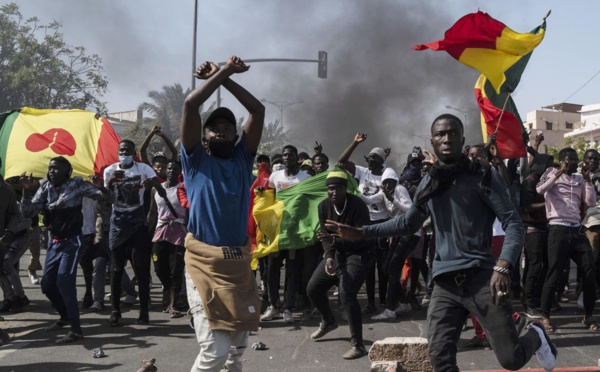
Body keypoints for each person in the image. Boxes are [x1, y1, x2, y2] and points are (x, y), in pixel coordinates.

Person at [326, 114, 557, 372]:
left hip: (481, 278)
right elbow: (407, 223)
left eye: (453, 133)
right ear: (433, 142)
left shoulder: (483, 176)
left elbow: (513, 223)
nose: (447, 138)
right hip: (444, 283)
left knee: (511, 360)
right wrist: (362, 232)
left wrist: (503, 265)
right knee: (441, 361)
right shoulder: (429, 182)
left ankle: (536, 334)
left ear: (462, 139)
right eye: (440, 134)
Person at [181, 56, 264, 371]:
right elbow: (191, 106)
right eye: (213, 130)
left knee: (235, 352)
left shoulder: (243, 160)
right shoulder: (196, 161)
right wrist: (225, 71)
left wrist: (222, 76)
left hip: (238, 262)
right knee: (215, 351)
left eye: (227, 129)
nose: (221, 133)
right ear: (203, 139)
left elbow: (258, 111)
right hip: (204, 264)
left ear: (236, 136)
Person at [20, 156, 112, 344]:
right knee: (47, 285)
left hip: (73, 240)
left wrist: (101, 187)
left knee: (65, 280)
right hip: (55, 242)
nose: (52, 171)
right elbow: (28, 213)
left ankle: (76, 330)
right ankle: (64, 317)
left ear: (67, 172)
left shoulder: (77, 185)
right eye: (51, 168)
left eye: (57, 169)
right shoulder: (44, 188)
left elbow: (109, 198)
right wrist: (26, 193)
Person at [307, 170, 373, 359]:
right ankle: (328, 320)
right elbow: (325, 238)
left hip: (360, 253)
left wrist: (334, 242)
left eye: (337, 188)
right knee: (313, 288)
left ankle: (358, 345)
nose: (333, 192)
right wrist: (328, 256)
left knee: (347, 293)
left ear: (345, 189)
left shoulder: (357, 206)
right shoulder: (323, 207)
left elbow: (361, 239)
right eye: (330, 189)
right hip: (337, 252)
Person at [536, 147, 599, 333]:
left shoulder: (580, 179)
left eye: (575, 160)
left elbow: (590, 202)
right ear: (562, 160)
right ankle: (545, 316)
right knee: (553, 274)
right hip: (558, 228)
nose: (573, 163)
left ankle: (588, 315)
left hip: (577, 228)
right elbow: (540, 189)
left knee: (589, 272)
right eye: (570, 159)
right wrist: (559, 173)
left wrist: (587, 180)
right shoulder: (551, 173)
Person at [104, 139, 165, 326]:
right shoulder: (109, 170)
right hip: (118, 223)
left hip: (137, 222)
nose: (125, 153)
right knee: (116, 269)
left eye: (128, 150)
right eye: (122, 150)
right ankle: (115, 311)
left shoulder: (143, 169)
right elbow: (105, 198)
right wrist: (110, 182)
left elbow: (159, 190)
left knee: (141, 268)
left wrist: (152, 185)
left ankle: (144, 311)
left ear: (134, 152)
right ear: (118, 151)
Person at [337, 132, 389, 314]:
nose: (370, 161)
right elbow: (341, 163)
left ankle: (383, 301)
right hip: (364, 227)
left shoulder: (386, 176)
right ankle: (371, 303)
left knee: (382, 267)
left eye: (375, 158)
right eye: (369, 157)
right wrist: (355, 143)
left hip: (382, 225)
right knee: (367, 266)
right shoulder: (362, 172)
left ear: (382, 162)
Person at [260, 145, 311, 323]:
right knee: (272, 269)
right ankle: (274, 306)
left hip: (294, 233)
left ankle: (288, 308)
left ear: (297, 158)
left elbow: (308, 204)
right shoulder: (275, 177)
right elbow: (271, 199)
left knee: (292, 271)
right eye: (284, 155)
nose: (286, 157)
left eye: (290, 155)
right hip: (277, 231)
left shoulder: (305, 178)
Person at [147, 160, 188, 318]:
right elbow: (152, 213)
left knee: (176, 270)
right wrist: (147, 232)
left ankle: (173, 304)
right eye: (169, 168)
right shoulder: (156, 190)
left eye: (175, 169)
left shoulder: (183, 188)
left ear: (180, 172)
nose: (171, 171)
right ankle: (167, 289)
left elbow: (189, 211)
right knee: (158, 268)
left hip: (178, 232)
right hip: (160, 232)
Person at [520, 153, 554, 319]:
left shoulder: (545, 182)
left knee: (546, 265)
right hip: (532, 230)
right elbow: (527, 207)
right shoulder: (529, 182)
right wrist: (547, 204)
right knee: (534, 267)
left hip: (545, 228)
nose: (551, 169)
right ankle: (529, 303)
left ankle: (539, 299)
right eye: (548, 165)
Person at [582, 149, 600, 293]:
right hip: (585, 221)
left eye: (595, 158)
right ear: (584, 160)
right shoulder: (575, 175)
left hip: (596, 220)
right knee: (589, 258)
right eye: (590, 158)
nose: (592, 161)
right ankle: (585, 289)